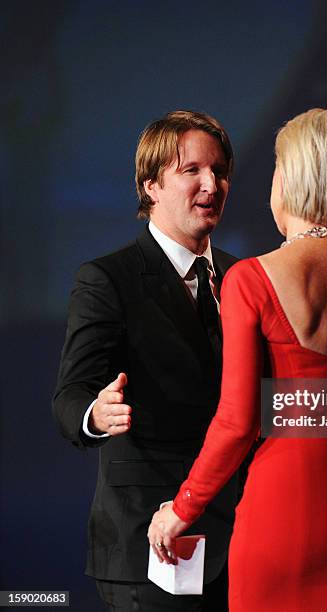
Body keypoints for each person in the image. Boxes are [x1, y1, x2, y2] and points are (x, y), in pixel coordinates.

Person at [148, 108, 327, 611]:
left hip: (297, 504)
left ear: (291, 178)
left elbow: (237, 422)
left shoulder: (251, 279)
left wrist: (181, 509)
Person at [52, 110, 239, 612]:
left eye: (219, 171)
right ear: (151, 184)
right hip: (149, 544)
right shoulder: (108, 280)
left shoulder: (244, 279)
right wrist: (96, 414)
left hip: (242, 539)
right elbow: (70, 396)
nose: (212, 184)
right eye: (192, 170)